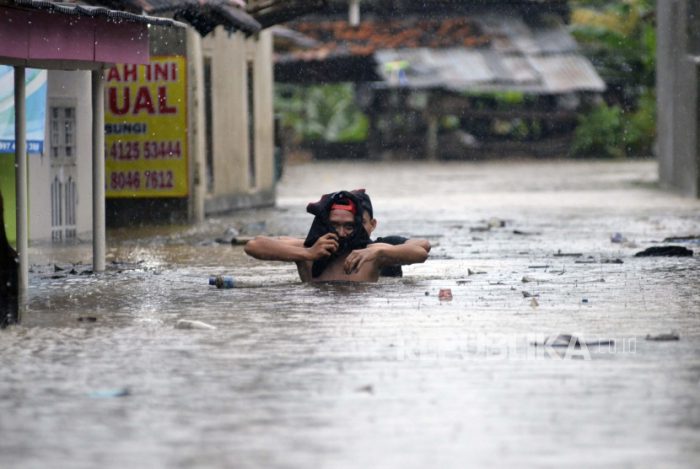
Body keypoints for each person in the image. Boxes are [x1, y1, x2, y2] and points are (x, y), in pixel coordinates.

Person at [244, 189, 430, 282]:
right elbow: (253, 245)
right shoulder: (308, 249)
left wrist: (379, 254)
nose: (341, 233)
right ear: (324, 224)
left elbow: (421, 253)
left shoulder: (370, 253)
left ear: (359, 226)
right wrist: (308, 254)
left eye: (349, 226)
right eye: (334, 225)